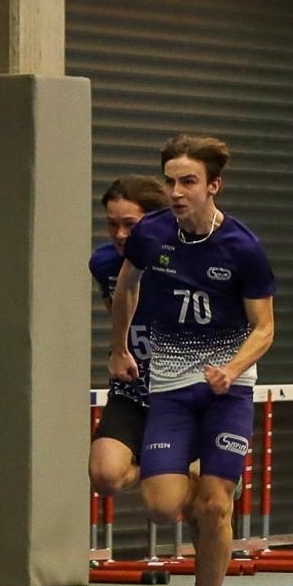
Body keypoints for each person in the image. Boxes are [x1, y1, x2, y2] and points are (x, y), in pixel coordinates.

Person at [109, 135, 276, 586]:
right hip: (171, 388)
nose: (177, 193)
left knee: (214, 505)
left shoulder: (243, 248)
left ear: (212, 186)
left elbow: (265, 327)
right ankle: (211, 485)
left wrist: (232, 367)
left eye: (188, 183)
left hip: (228, 390)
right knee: (162, 507)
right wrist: (118, 348)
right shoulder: (152, 234)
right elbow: (126, 288)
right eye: (171, 182)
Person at [89, 175, 171, 496]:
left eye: (130, 224)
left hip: (177, 392)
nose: (120, 234)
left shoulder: (177, 261)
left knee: (173, 503)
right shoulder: (104, 263)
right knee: (105, 473)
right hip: (132, 392)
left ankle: (198, 474)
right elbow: (116, 311)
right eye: (112, 225)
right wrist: (120, 349)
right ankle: (166, 468)